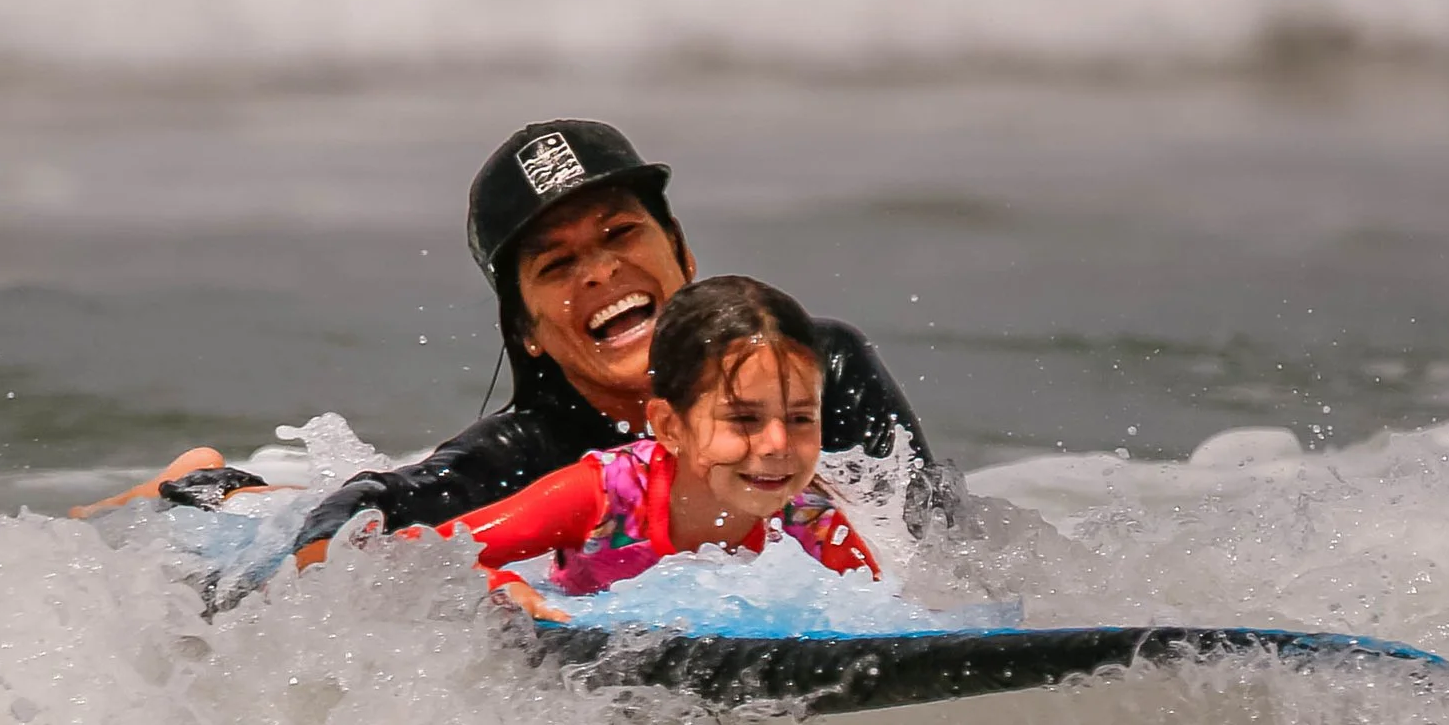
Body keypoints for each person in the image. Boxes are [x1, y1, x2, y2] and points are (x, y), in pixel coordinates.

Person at [276, 119, 954, 555]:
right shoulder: (528, 457)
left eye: (620, 233)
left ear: (682, 253)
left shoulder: (816, 368)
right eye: (558, 263)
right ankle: (218, 484)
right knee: (270, 502)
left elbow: (933, 541)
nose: (601, 270)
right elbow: (366, 512)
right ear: (527, 330)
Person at [327, 276, 879, 621]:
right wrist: (501, 586)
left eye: (802, 418)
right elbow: (422, 558)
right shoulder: (603, 495)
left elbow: (878, 616)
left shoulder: (810, 520)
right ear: (669, 426)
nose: (779, 445)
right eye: (744, 419)